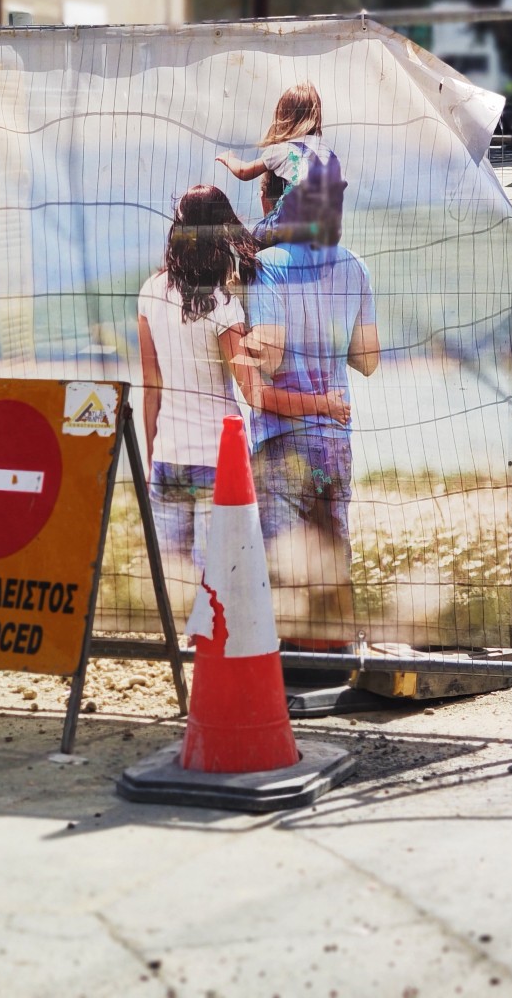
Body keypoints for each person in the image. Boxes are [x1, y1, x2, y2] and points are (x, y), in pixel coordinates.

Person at [137, 186, 349, 583]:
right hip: (218, 460)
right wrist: (324, 404)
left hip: (167, 457)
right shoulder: (222, 306)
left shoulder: (150, 292)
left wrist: (151, 459)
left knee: (171, 584)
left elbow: (151, 387)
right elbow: (256, 395)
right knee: (212, 584)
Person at [244, 178, 378, 634]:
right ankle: (338, 654)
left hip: (281, 439)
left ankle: (290, 666)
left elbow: (270, 356)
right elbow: (368, 360)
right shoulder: (355, 266)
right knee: (332, 549)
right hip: (334, 438)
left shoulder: (268, 266)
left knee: (283, 556)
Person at [216, 81, 346, 247]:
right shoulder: (329, 155)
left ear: (283, 116)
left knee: (255, 237)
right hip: (326, 227)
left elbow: (243, 172)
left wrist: (229, 158)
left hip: (290, 226)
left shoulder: (282, 150)